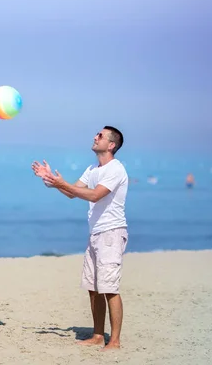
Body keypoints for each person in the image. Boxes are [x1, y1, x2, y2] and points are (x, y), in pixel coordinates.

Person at [32, 126, 128, 351]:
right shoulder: (92, 169)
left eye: (101, 136)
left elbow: (95, 195)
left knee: (109, 288)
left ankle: (114, 341)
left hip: (111, 233)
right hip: (96, 234)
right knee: (93, 287)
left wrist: (61, 183)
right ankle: (97, 335)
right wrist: (52, 181)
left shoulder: (116, 169)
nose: (95, 137)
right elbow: (72, 192)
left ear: (111, 145)